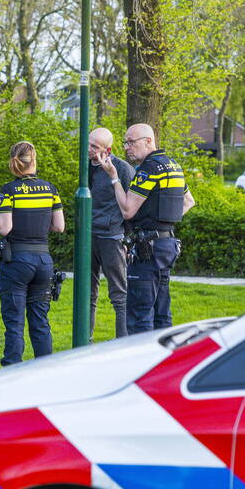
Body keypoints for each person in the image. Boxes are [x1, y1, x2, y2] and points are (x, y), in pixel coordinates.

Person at [99, 123, 195, 333]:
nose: (126, 147)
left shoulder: (148, 170)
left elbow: (127, 211)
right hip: (167, 245)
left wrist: (114, 177)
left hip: (147, 250)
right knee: (162, 313)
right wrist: (163, 222)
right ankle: (163, 362)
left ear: (149, 141)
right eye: (125, 142)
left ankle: (141, 363)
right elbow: (188, 201)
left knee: (139, 315)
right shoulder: (173, 166)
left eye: (131, 142)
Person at [0, 141, 65, 366]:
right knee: (40, 321)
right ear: (34, 161)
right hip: (44, 261)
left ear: (13, 163)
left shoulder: (9, 191)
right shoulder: (50, 189)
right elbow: (59, 226)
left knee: (15, 323)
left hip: (17, 262)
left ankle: (11, 371)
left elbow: (4, 228)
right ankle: (45, 371)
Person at [87, 127, 134, 340]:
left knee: (119, 293)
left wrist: (128, 240)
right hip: (88, 236)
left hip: (112, 236)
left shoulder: (123, 170)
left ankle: (122, 341)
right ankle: (84, 341)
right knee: (87, 293)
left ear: (108, 150)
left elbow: (132, 208)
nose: (89, 150)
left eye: (94, 147)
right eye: (88, 144)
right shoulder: (85, 167)